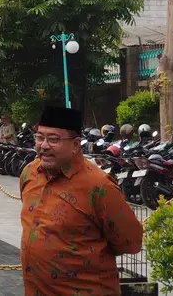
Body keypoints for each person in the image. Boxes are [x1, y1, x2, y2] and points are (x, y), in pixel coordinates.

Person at [20, 106, 143, 295]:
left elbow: (130, 241)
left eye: (53, 139)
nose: (43, 145)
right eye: (39, 137)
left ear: (76, 145)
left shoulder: (98, 186)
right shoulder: (30, 173)